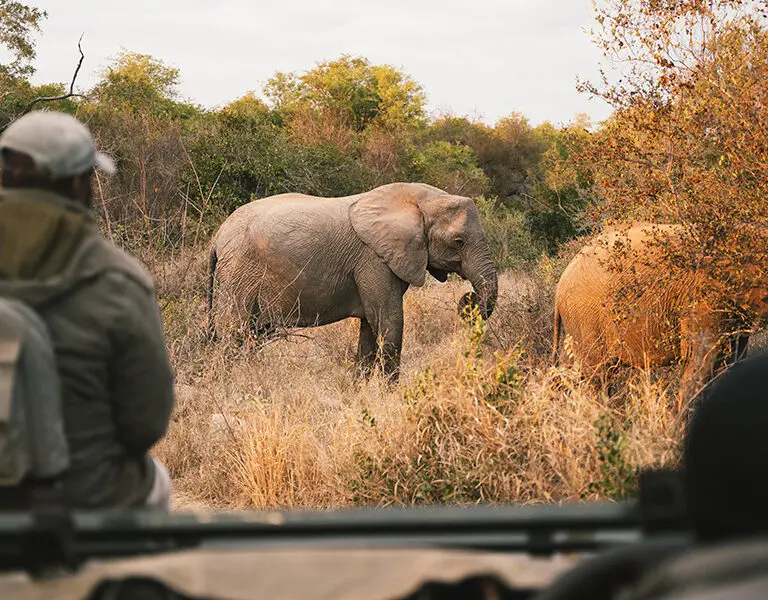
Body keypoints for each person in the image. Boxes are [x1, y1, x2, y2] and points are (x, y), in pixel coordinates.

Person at [0, 110, 176, 510]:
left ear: (6, 176)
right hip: (85, 498)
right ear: (81, 185)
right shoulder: (118, 279)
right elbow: (145, 424)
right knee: (159, 482)